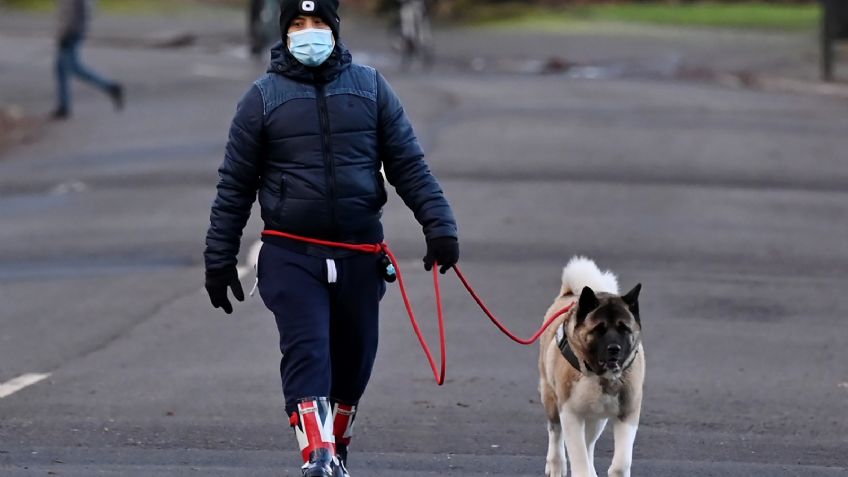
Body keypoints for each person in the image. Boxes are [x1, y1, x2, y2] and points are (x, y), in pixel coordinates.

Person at [202, 0, 459, 475]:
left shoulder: (371, 88)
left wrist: (439, 225)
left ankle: (335, 450)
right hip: (291, 253)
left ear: (335, 29)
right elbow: (234, 186)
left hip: (360, 253)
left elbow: (409, 164)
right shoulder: (261, 99)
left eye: (318, 22)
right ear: (284, 32)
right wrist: (219, 258)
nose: (309, 32)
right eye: (298, 24)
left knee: (354, 362)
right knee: (308, 352)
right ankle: (317, 458)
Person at [52, 0, 124, 120]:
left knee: (74, 67)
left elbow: (76, 13)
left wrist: (67, 32)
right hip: (69, 30)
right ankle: (63, 105)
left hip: (71, 32)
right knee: (60, 68)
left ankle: (110, 87)